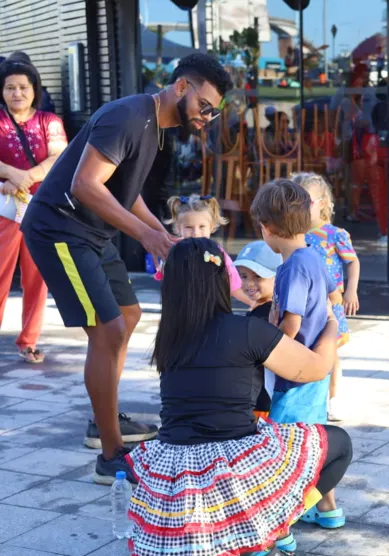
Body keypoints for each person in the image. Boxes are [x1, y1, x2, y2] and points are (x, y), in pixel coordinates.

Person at [20, 53, 233, 483]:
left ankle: (105, 422)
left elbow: (124, 192)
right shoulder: (131, 116)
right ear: (181, 88)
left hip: (92, 234)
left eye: (216, 111)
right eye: (205, 105)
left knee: (129, 316)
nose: (208, 117)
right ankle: (110, 455)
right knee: (108, 329)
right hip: (59, 229)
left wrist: (163, 236)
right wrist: (144, 237)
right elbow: (84, 184)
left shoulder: (153, 127)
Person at [128, 238, 351, 556]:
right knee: (339, 444)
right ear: (221, 282)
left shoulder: (169, 338)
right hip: (229, 466)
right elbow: (316, 368)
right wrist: (333, 324)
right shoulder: (246, 330)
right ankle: (262, 540)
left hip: (171, 475)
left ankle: (228, 544)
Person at [250, 179, 346, 530]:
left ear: (267, 229)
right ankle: (329, 508)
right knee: (315, 438)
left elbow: (291, 324)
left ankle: (286, 515)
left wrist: (268, 338)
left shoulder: (290, 268)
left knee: (288, 443)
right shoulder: (314, 256)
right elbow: (334, 295)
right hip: (317, 365)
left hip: (295, 370)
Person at [0, 57, 68, 364]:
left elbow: (59, 158)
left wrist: (26, 176)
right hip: (4, 209)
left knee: (36, 277)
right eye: (10, 87)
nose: (17, 93)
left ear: (35, 89)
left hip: (40, 209)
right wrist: (11, 174)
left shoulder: (50, 122)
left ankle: (28, 340)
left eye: (23, 87)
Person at [293, 172, 360, 422]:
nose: (299, 207)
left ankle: (334, 399)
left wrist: (351, 290)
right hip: (305, 304)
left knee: (331, 355)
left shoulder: (335, 234)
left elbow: (352, 263)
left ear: (322, 203)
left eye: (306, 201)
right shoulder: (294, 234)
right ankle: (311, 398)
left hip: (331, 305)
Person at [162, 194, 253, 306]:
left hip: (210, 307)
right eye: (188, 227)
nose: (196, 233)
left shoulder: (217, 252)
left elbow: (232, 282)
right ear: (178, 228)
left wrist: (253, 303)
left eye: (202, 227)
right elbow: (165, 278)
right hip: (181, 308)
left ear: (211, 227)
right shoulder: (174, 251)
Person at [234, 240, 282, 420]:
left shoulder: (266, 315)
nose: (249, 284)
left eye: (258, 277)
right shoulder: (265, 310)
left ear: (277, 277)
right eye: (244, 276)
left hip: (260, 401)